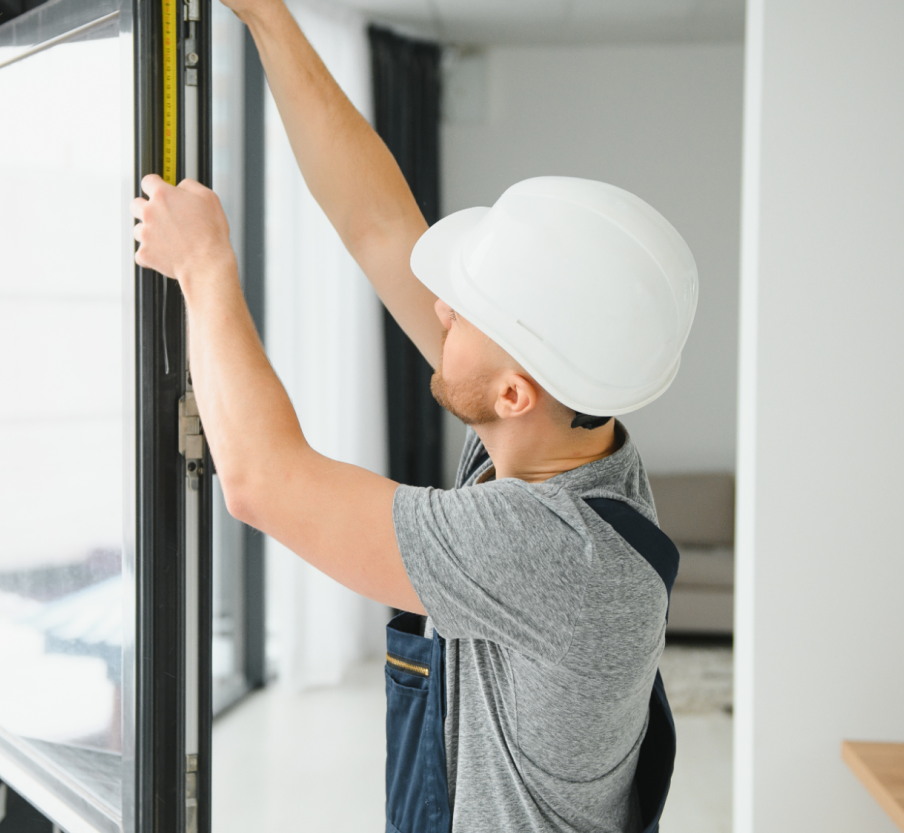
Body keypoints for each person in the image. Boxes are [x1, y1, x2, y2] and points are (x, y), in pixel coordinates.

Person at [130, 2, 698, 830]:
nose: (438, 309)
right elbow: (378, 225)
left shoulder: (550, 550)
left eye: (466, 313)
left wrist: (205, 265)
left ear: (514, 392)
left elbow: (262, 482)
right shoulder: (568, 434)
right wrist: (268, 19)